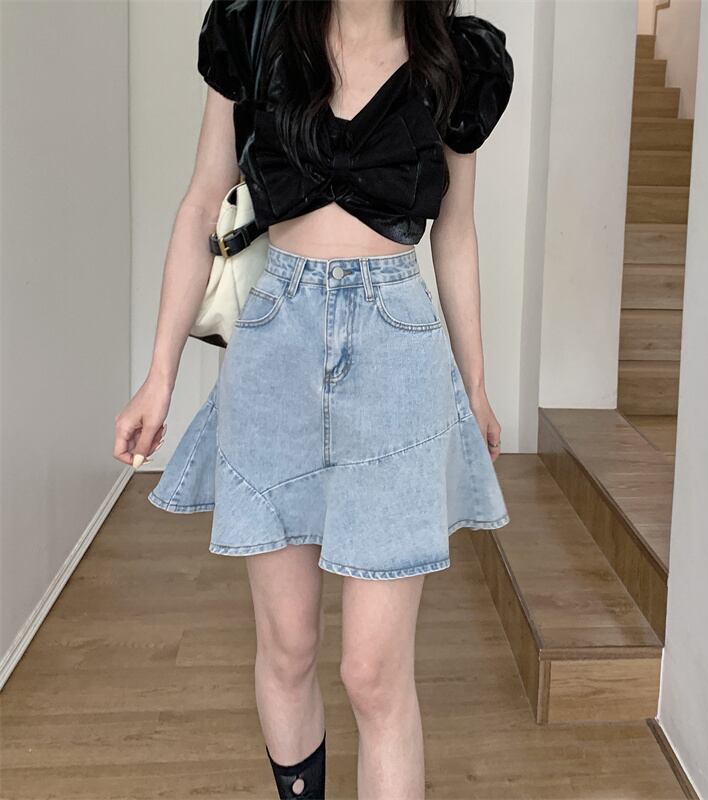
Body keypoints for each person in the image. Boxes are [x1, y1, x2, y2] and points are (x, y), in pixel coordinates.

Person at [113, 0, 513, 797]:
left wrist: (475, 386)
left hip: (398, 357)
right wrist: (158, 374)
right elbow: (202, 202)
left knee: (374, 671)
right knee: (288, 647)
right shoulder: (255, 28)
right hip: (274, 350)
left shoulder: (457, 60)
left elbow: (456, 233)